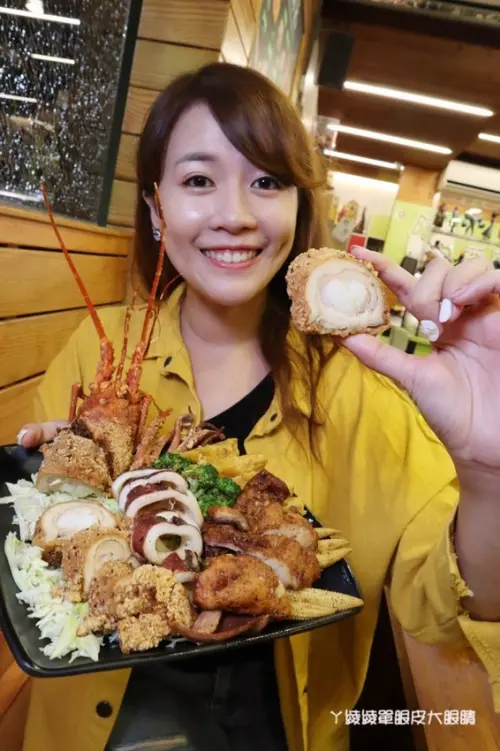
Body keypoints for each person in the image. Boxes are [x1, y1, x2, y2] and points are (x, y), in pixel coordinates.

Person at [17, 63, 500, 751]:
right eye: (198, 180)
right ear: (154, 206)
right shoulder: (95, 354)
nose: (236, 214)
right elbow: (28, 546)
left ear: (299, 205)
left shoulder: (365, 394)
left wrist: (488, 474)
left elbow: (446, 611)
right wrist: (53, 484)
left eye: (267, 181)